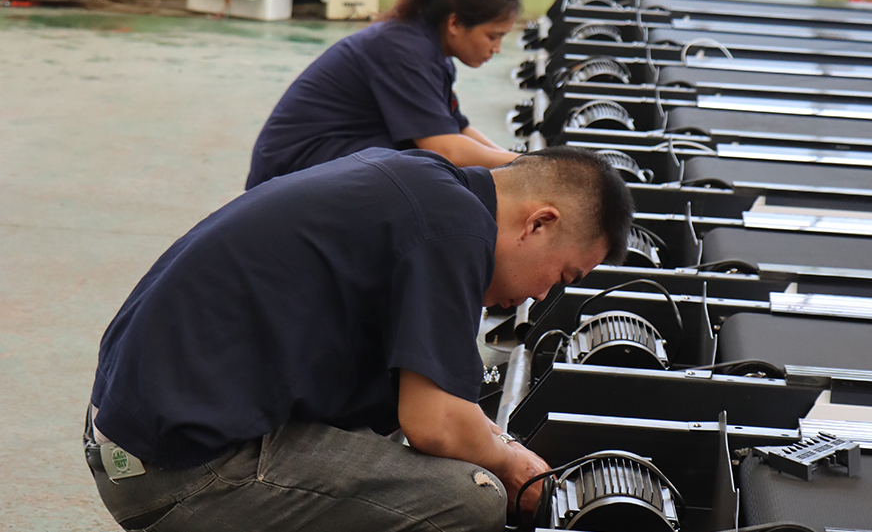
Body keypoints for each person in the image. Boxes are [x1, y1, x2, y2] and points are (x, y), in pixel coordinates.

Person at [85, 145, 634, 531]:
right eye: (561, 276)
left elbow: (434, 402)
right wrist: (512, 466)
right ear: (538, 224)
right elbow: (436, 423)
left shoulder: (427, 183)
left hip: (131, 437)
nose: (543, 294)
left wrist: (495, 440)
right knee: (468, 501)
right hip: (182, 473)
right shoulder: (456, 230)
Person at [245, 0, 522, 190]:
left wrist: (521, 163)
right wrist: (523, 164)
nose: (497, 49)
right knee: (425, 166)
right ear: (455, 23)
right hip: (290, 171)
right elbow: (446, 148)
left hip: (320, 159)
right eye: (493, 36)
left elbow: (457, 129)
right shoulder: (404, 50)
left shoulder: (428, 50)